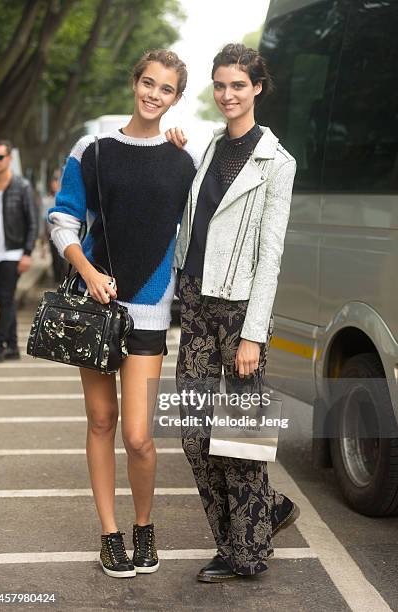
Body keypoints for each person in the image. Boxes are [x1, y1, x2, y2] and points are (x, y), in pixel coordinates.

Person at [48, 49, 196, 579]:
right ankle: (110, 533)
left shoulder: (184, 161)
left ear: (177, 98)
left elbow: (189, 234)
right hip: (96, 303)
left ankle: (144, 525)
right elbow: (63, 219)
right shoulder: (93, 149)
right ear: (135, 83)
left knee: (138, 434)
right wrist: (87, 271)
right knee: (101, 421)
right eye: (148, 83)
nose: (154, 94)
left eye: (166, 89)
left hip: (151, 311)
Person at [168, 43, 300, 582]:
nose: (227, 95)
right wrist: (176, 152)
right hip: (197, 303)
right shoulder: (206, 151)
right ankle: (257, 517)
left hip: (241, 309)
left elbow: (271, 255)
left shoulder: (276, 162)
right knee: (196, 433)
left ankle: (245, 552)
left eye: (238, 86)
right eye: (220, 85)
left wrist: (254, 334)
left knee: (240, 438)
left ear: (257, 88)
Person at [0, 139, 38, 364]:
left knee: (7, 298)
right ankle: (12, 347)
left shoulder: (22, 186)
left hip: (12, 253)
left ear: (9, 159)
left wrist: (27, 252)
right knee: (2, 299)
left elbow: (32, 222)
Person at [40, 169, 67, 283]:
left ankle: (63, 280)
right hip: (52, 235)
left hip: (65, 235)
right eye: (54, 181)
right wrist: (43, 239)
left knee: (63, 259)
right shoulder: (47, 200)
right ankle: (57, 281)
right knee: (55, 259)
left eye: (58, 180)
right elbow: (44, 219)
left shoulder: (66, 199)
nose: (55, 183)